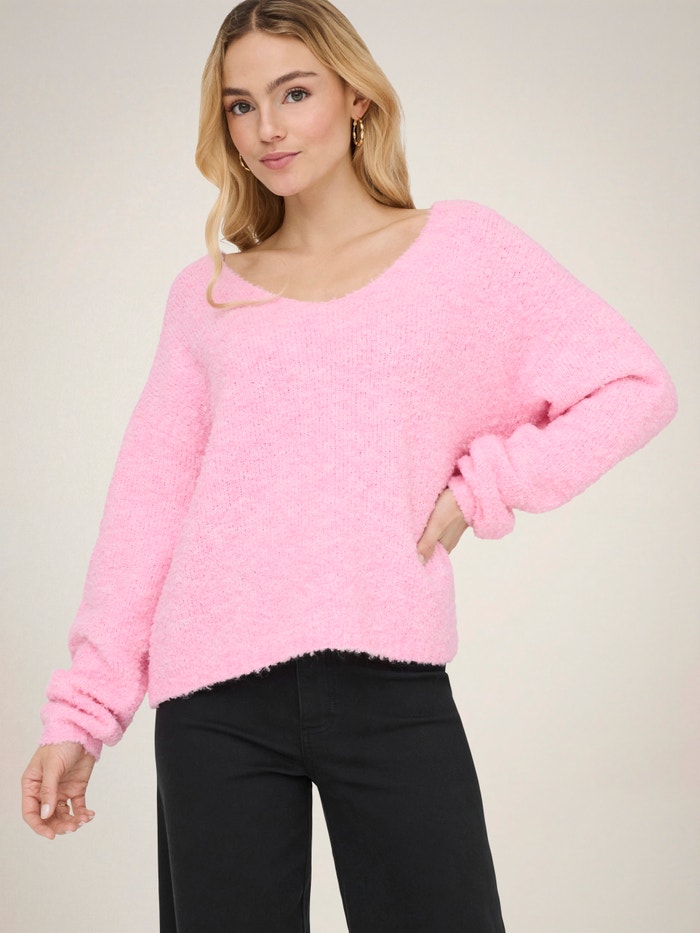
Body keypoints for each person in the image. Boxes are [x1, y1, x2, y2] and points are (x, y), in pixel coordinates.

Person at [21, 1, 678, 930]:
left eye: (294, 93)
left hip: (389, 678)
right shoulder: (207, 295)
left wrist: (484, 488)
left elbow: (633, 386)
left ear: (356, 98)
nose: (268, 127)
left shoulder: (461, 250)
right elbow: (147, 510)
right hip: (214, 699)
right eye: (241, 105)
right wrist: (82, 716)